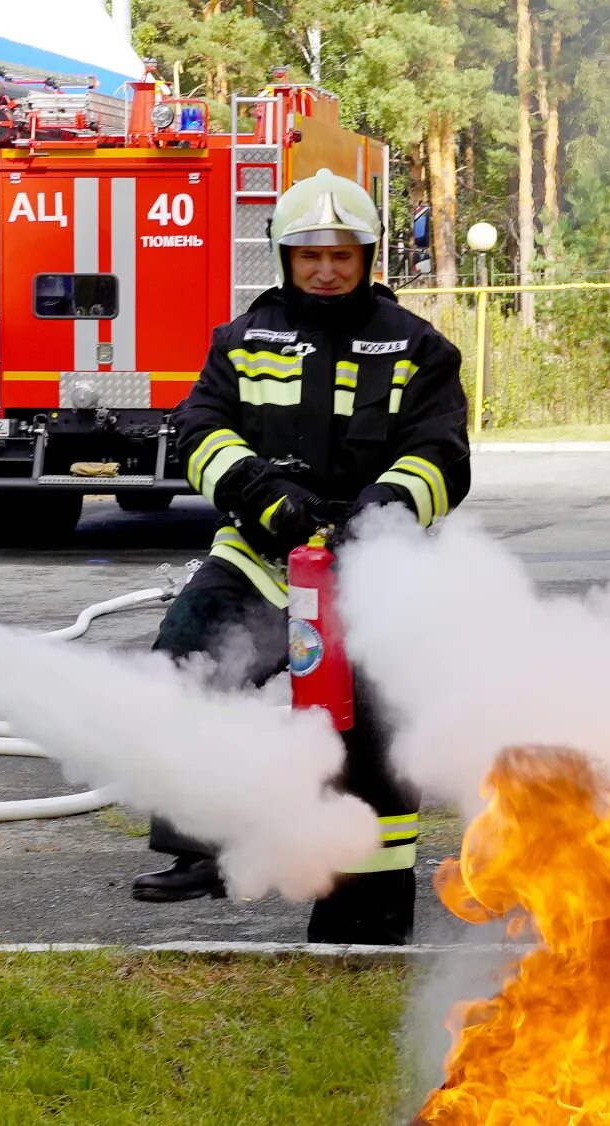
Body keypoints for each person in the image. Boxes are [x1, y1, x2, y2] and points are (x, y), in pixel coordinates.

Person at [130, 169, 470, 945]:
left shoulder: (418, 347)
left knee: (372, 742)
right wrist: (256, 489)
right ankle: (203, 847)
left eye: (342, 254)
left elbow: (443, 454)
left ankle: (365, 920)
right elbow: (200, 431)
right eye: (309, 254)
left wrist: (385, 508)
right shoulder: (242, 341)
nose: (325, 268)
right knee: (186, 664)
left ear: (368, 256)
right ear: (283, 256)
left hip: (374, 576)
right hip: (262, 557)